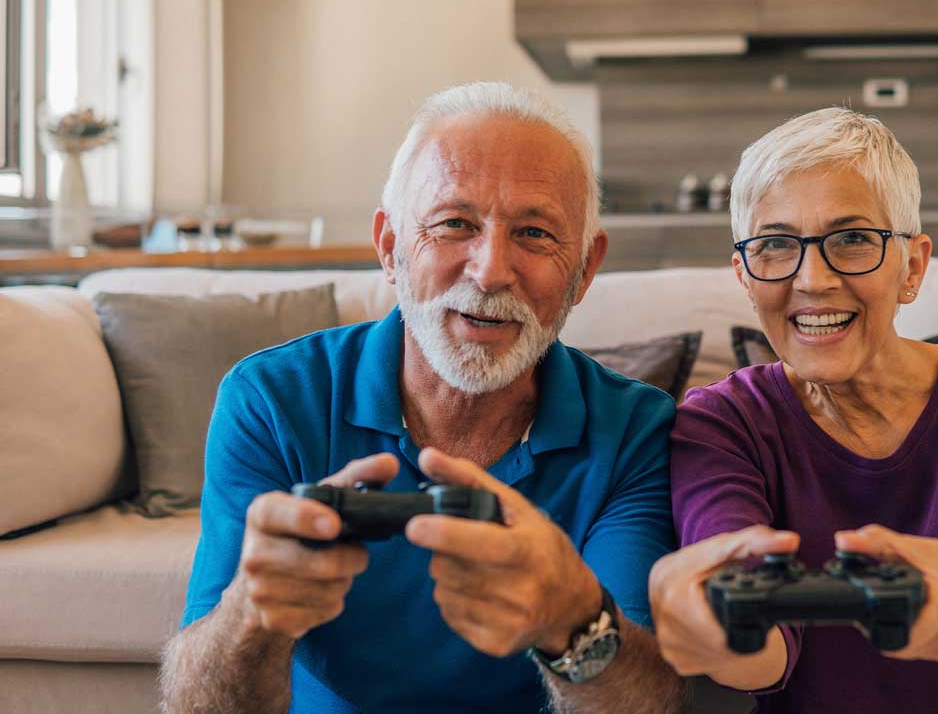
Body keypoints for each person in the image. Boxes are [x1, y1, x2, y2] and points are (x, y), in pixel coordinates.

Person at [160, 82, 685, 714]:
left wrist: (573, 616)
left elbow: (647, 703)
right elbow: (196, 707)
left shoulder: (636, 428)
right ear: (390, 247)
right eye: (455, 224)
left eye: (535, 233)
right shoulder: (271, 399)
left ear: (585, 271)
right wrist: (253, 610)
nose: (491, 270)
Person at [648, 108, 938, 713]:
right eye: (776, 245)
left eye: (852, 239)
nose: (812, 280)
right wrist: (715, 630)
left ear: (911, 266)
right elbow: (764, 655)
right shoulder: (721, 423)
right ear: (746, 277)